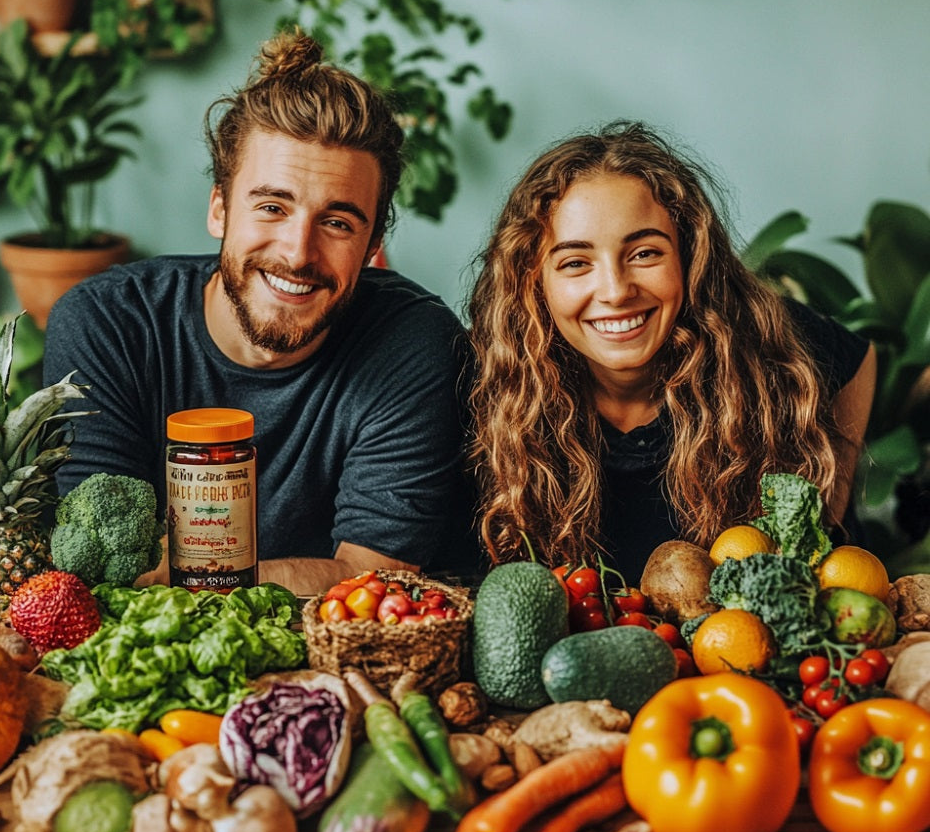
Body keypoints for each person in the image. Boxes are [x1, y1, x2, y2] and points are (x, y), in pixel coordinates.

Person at [43, 30, 478, 596]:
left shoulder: (414, 344)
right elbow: (119, 572)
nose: (298, 253)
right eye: (272, 207)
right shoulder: (108, 324)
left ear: (374, 243)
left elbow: (371, 583)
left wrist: (190, 578)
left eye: (338, 222)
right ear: (220, 208)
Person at [466, 121, 876, 585]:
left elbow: (856, 358)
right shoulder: (488, 388)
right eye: (576, 263)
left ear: (689, 258)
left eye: (644, 253)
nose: (616, 291)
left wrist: (829, 510)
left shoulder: (760, 340)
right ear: (533, 281)